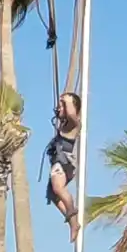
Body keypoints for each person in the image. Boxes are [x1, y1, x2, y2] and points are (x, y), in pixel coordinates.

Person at [44, 93, 83, 238]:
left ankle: (73, 218)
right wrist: (62, 106)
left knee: (58, 188)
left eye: (62, 106)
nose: (59, 108)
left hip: (64, 163)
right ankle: (72, 220)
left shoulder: (74, 124)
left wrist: (67, 102)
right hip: (58, 163)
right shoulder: (64, 124)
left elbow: (72, 113)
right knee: (53, 195)